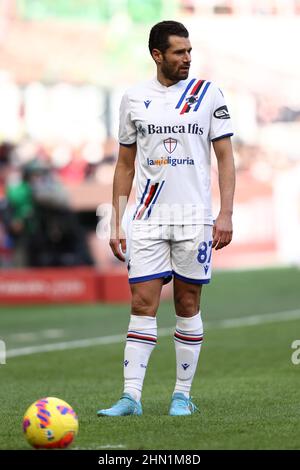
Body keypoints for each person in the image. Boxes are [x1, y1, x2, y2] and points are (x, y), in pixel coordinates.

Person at [97, 20, 235, 417]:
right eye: (178, 52)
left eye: (189, 51)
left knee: (188, 301)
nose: (187, 59)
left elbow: (225, 158)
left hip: (194, 217)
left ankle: (181, 395)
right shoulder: (134, 98)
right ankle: (131, 397)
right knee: (142, 302)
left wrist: (224, 212)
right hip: (147, 218)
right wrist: (116, 220)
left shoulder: (208, 95)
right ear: (157, 55)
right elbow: (124, 165)